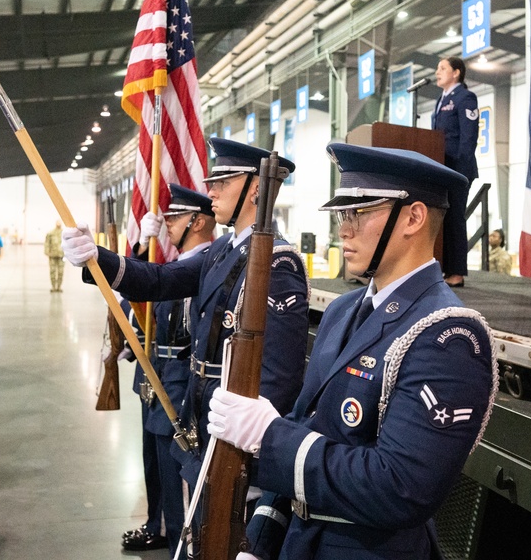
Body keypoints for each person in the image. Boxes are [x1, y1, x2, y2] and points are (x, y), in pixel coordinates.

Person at [207, 143, 497, 560]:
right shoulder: (343, 311)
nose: (343, 229)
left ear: (413, 217)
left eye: (359, 213)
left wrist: (270, 437)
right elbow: (306, 422)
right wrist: (260, 540)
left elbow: (400, 487)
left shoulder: (447, 335)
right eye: (343, 215)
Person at [62, 139, 309, 485]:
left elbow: (279, 377)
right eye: (213, 183)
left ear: (256, 189)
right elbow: (160, 281)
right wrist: (96, 256)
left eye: (224, 183)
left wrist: (255, 458)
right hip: (203, 415)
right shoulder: (224, 248)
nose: (212, 192)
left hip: (234, 431)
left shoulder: (276, 263)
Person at [122, 185, 217, 556]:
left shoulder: (205, 265)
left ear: (198, 221)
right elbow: (150, 302)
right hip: (157, 372)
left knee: (176, 474)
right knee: (155, 463)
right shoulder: (179, 265)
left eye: (175, 218)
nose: (167, 225)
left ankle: (181, 544)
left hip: (179, 380)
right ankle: (158, 524)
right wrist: (142, 253)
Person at [432, 56, 479, 288]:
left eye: (442, 68)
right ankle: (446, 267)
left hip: (458, 169)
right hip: (441, 167)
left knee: (455, 219)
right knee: (444, 218)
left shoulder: (465, 97)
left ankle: (457, 271)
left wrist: (461, 169)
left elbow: (469, 137)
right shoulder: (441, 100)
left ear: (456, 73)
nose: (437, 72)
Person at [45, 221, 65, 292]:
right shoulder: (51, 233)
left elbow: (67, 244)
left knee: (60, 272)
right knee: (52, 271)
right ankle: (53, 287)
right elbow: (47, 243)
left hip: (61, 255)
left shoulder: (64, 233)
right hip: (52, 255)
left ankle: (59, 287)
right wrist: (47, 252)